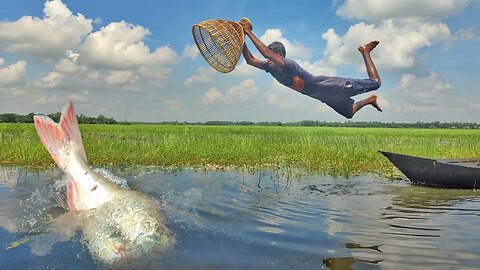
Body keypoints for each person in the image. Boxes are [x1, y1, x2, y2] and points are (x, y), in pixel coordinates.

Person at [240, 19, 382, 119]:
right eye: (268, 59)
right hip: (324, 96)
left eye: (271, 57)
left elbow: (265, 52)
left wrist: (248, 31)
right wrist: (241, 40)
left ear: (280, 55)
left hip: (335, 86)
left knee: (376, 83)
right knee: (349, 113)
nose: (267, 60)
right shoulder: (270, 68)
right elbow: (250, 60)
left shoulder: (289, 65)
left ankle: (365, 51)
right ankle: (370, 100)